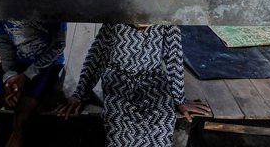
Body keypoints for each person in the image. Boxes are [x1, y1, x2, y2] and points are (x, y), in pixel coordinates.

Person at [56, 23, 211, 147]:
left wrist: (179, 100)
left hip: (153, 79)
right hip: (118, 79)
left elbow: (173, 59)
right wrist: (80, 93)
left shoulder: (166, 22)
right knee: (119, 123)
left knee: (163, 118)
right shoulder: (114, 23)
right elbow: (96, 57)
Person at [0, 20, 66, 147]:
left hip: (47, 64)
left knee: (22, 118)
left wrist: (26, 76)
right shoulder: (0, 7)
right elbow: (4, 43)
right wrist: (10, 76)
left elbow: (58, 46)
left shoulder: (50, 6)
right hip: (16, 63)